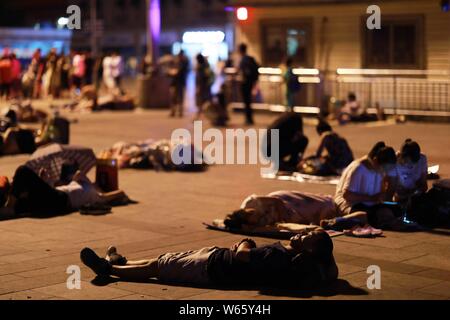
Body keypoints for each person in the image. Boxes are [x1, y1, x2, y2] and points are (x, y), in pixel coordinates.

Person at [80, 229, 338, 289]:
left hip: (212, 268)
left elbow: (243, 256)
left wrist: (246, 242)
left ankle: (109, 269)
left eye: (308, 237)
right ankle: (120, 261)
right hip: (214, 259)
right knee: (162, 260)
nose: (301, 234)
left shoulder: (281, 258)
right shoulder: (291, 259)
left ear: (310, 251)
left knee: (159, 268)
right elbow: (333, 271)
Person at [0, 165, 130, 219]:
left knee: (23, 170)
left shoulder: (97, 196)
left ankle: (10, 203)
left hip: (61, 201)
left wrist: (100, 190)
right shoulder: (83, 184)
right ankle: (9, 208)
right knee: (24, 203)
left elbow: (121, 193)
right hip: (54, 197)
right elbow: (78, 174)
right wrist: (45, 180)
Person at [333, 141, 404, 230]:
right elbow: (347, 195)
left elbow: (389, 188)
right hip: (350, 203)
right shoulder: (359, 169)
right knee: (366, 216)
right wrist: (370, 198)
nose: (385, 172)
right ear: (375, 160)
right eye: (384, 169)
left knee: (395, 211)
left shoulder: (379, 167)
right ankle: (336, 221)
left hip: (370, 204)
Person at [225, 190, 368, 231]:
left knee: (323, 210)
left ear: (248, 212)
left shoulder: (250, 202)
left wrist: (281, 219)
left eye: (254, 215)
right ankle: (334, 219)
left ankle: (332, 218)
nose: (259, 218)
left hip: (287, 202)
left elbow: (277, 201)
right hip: (293, 211)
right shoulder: (255, 221)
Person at [394, 139, 428, 204]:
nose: (411, 165)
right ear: (402, 156)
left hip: (415, 196)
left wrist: (413, 193)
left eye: (414, 162)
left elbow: (424, 185)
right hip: (399, 197)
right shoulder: (394, 160)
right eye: (408, 162)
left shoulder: (422, 159)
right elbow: (388, 186)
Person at [238, 43, 259, 125]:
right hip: (249, 82)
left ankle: (248, 119)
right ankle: (249, 118)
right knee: (248, 101)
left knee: (246, 101)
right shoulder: (248, 58)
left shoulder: (244, 60)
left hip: (245, 83)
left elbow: (246, 71)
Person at [169, 50, 189, 118]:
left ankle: (180, 111)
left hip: (180, 82)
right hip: (174, 83)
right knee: (173, 98)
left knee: (180, 97)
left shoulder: (184, 63)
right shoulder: (175, 63)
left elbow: (182, 71)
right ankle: (173, 111)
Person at [195, 54, 213, 119]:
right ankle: (199, 115)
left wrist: (198, 87)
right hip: (206, 86)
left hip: (203, 86)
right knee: (205, 101)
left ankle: (200, 115)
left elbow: (201, 78)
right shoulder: (205, 65)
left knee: (202, 101)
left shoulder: (202, 67)